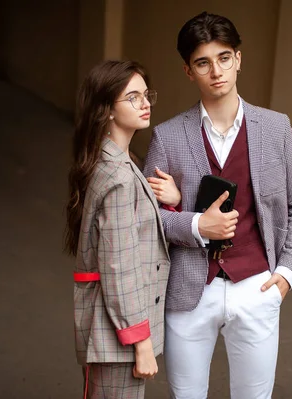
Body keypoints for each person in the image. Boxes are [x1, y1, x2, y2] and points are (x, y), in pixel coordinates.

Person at [144, 12, 292, 399]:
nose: (216, 71)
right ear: (189, 71)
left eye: (224, 58)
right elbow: (147, 221)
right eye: (203, 62)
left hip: (257, 286)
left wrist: (286, 274)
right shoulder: (168, 137)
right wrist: (192, 223)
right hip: (188, 291)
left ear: (238, 59)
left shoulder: (276, 129)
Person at [64, 60, 179, 399]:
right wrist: (140, 342)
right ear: (108, 111)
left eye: (146, 95)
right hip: (116, 334)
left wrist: (171, 201)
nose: (145, 104)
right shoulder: (118, 176)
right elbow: (119, 266)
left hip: (110, 327)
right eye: (132, 97)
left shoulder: (115, 161)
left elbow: (136, 230)